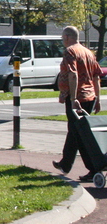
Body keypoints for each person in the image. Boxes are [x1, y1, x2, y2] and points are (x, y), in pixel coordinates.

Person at [52, 26, 102, 182]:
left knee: (81, 135)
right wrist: (98, 99)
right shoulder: (88, 52)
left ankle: (94, 168)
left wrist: (73, 99)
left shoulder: (70, 52)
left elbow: (72, 74)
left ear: (67, 37)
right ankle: (65, 164)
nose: (62, 41)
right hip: (90, 97)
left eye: (62, 38)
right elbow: (96, 77)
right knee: (75, 131)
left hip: (77, 98)